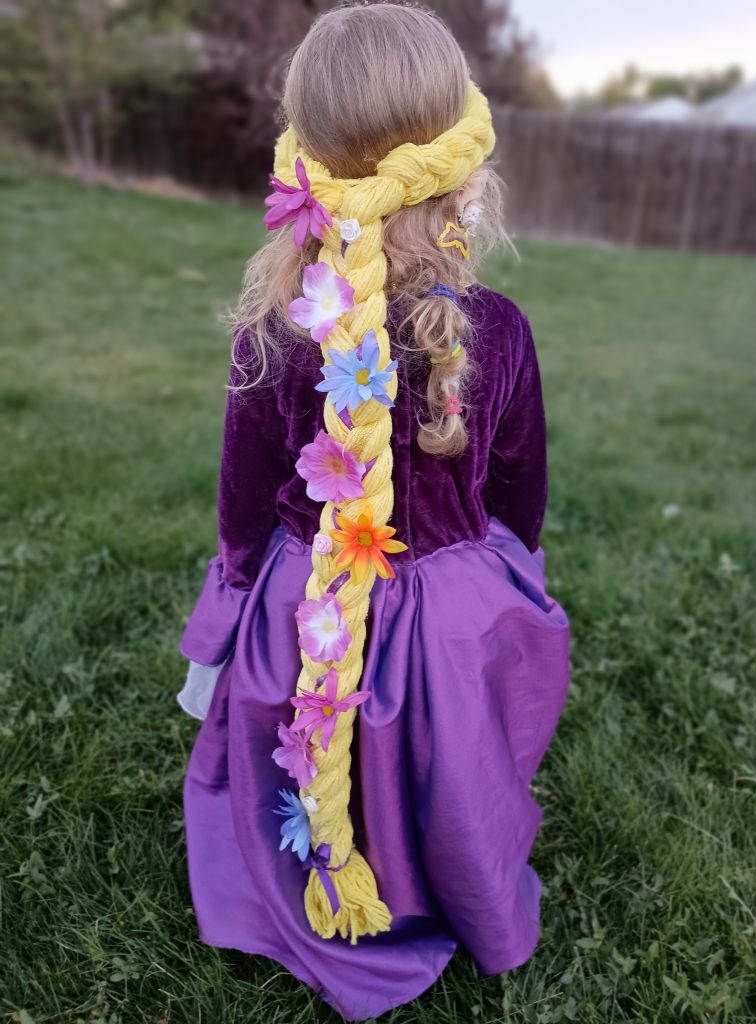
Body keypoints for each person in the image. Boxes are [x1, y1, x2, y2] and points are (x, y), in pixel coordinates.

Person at [176, 4, 570, 1019]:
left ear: (301, 171)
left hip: (306, 621)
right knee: (446, 761)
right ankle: (441, 879)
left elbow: (239, 501)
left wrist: (233, 592)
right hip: (447, 627)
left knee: (317, 738)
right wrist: (515, 571)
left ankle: (318, 879)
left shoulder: (279, 329)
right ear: (467, 177)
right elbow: (518, 490)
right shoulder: (500, 332)